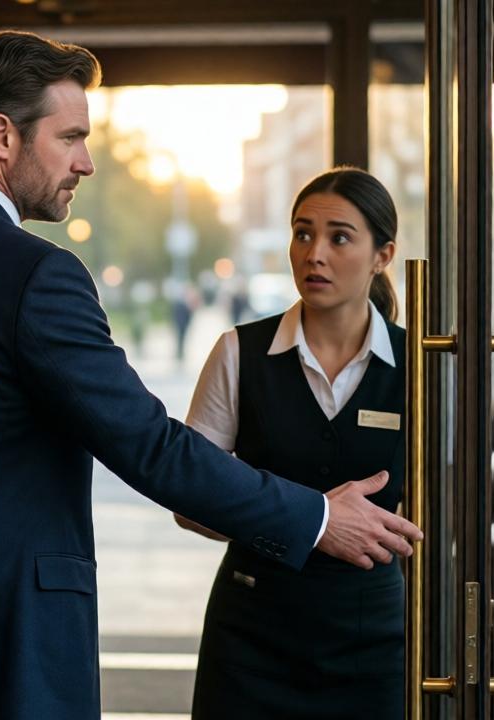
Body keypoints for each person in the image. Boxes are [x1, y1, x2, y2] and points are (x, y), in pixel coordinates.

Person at [0, 32, 420, 719]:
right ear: (2, 136)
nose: (87, 163)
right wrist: (315, 517)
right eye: (71, 137)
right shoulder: (37, 276)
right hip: (4, 649)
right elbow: (149, 445)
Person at [179, 167, 406, 718]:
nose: (314, 253)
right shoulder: (238, 352)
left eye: (339, 237)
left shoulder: (422, 365)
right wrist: (304, 521)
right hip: (253, 636)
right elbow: (190, 498)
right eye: (302, 234)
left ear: (383, 255)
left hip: (374, 638)